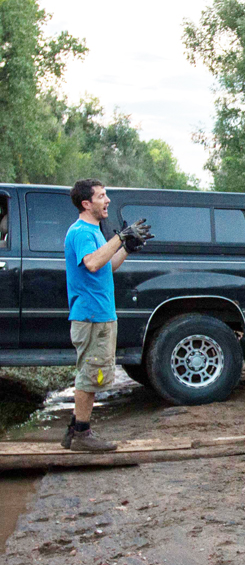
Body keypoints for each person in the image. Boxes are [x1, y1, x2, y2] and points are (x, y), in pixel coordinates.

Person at [61, 178, 153, 451]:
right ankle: (82, 434)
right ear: (86, 203)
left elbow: (106, 266)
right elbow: (91, 263)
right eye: (102, 196)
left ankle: (74, 430)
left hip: (100, 314)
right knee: (89, 375)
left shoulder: (95, 231)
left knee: (91, 373)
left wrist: (126, 247)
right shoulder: (81, 232)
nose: (108, 200)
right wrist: (119, 237)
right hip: (90, 315)